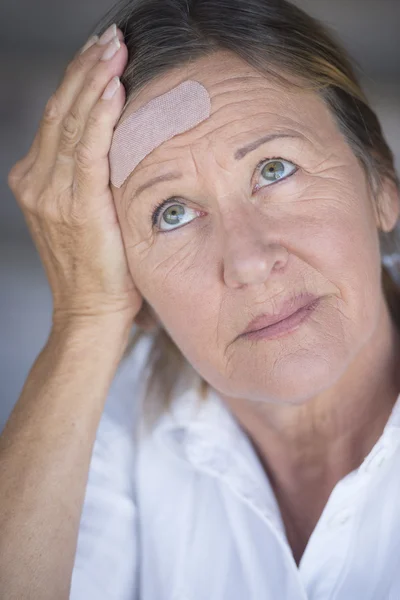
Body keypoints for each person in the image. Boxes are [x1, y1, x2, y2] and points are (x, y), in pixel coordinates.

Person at [2, 0, 400, 598]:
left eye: (273, 169)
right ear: (127, 276)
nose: (247, 261)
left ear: (381, 187)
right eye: (173, 213)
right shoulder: (104, 422)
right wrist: (86, 319)